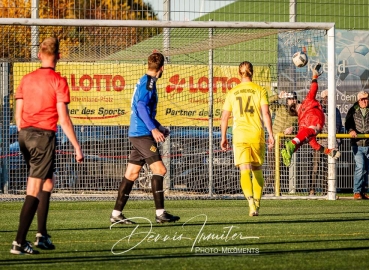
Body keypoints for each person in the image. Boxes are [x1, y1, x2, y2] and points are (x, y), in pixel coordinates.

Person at [11, 37, 84, 255]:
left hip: (24, 135)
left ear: (40, 54)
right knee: (33, 188)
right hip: (43, 138)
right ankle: (18, 242)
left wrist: (24, 132)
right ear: (59, 56)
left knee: (47, 182)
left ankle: (41, 234)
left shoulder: (26, 78)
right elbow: (63, 119)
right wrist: (77, 147)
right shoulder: (58, 81)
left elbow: (18, 113)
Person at [110, 51, 180, 224]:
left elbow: (144, 110)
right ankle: (160, 214)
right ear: (162, 68)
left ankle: (116, 214)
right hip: (142, 134)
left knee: (132, 173)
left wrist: (158, 127)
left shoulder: (145, 80)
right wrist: (153, 130)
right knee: (160, 170)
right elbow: (141, 107)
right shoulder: (149, 83)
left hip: (139, 132)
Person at [220, 61, 274, 217]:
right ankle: (257, 202)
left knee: (244, 170)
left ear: (239, 73)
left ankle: (251, 204)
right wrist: (270, 133)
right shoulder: (260, 90)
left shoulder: (232, 92)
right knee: (257, 170)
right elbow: (266, 114)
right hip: (256, 134)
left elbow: (224, 117)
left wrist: (223, 137)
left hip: (240, 135)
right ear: (253, 72)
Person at [281, 63, 341, 167]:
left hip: (312, 125)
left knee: (303, 138)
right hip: (315, 123)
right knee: (308, 133)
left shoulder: (302, 123)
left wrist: (328, 151)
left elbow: (313, 144)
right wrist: (314, 76)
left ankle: (290, 149)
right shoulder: (307, 103)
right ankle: (291, 146)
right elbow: (314, 88)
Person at [310, 89, 343, 195]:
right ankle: (312, 189)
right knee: (316, 166)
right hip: (320, 143)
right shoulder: (319, 110)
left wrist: (339, 140)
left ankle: (326, 190)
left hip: (332, 143)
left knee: (328, 167)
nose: (328, 100)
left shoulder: (336, 110)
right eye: (326, 98)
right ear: (323, 99)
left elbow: (339, 126)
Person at [265, 91, 298, 193]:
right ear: (286, 100)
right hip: (273, 143)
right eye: (289, 99)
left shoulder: (298, 113)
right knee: (275, 170)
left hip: (284, 146)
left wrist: (293, 128)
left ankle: (275, 191)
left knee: (280, 170)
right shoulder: (280, 108)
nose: (292, 101)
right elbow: (266, 102)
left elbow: (302, 127)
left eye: (293, 99)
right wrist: (278, 96)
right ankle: (267, 189)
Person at [345, 91, 369, 200]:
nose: (365, 101)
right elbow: (348, 123)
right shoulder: (353, 110)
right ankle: (357, 191)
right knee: (360, 167)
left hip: (368, 144)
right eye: (363, 99)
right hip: (357, 144)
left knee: (367, 169)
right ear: (358, 100)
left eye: (367, 98)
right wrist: (351, 130)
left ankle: (363, 191)